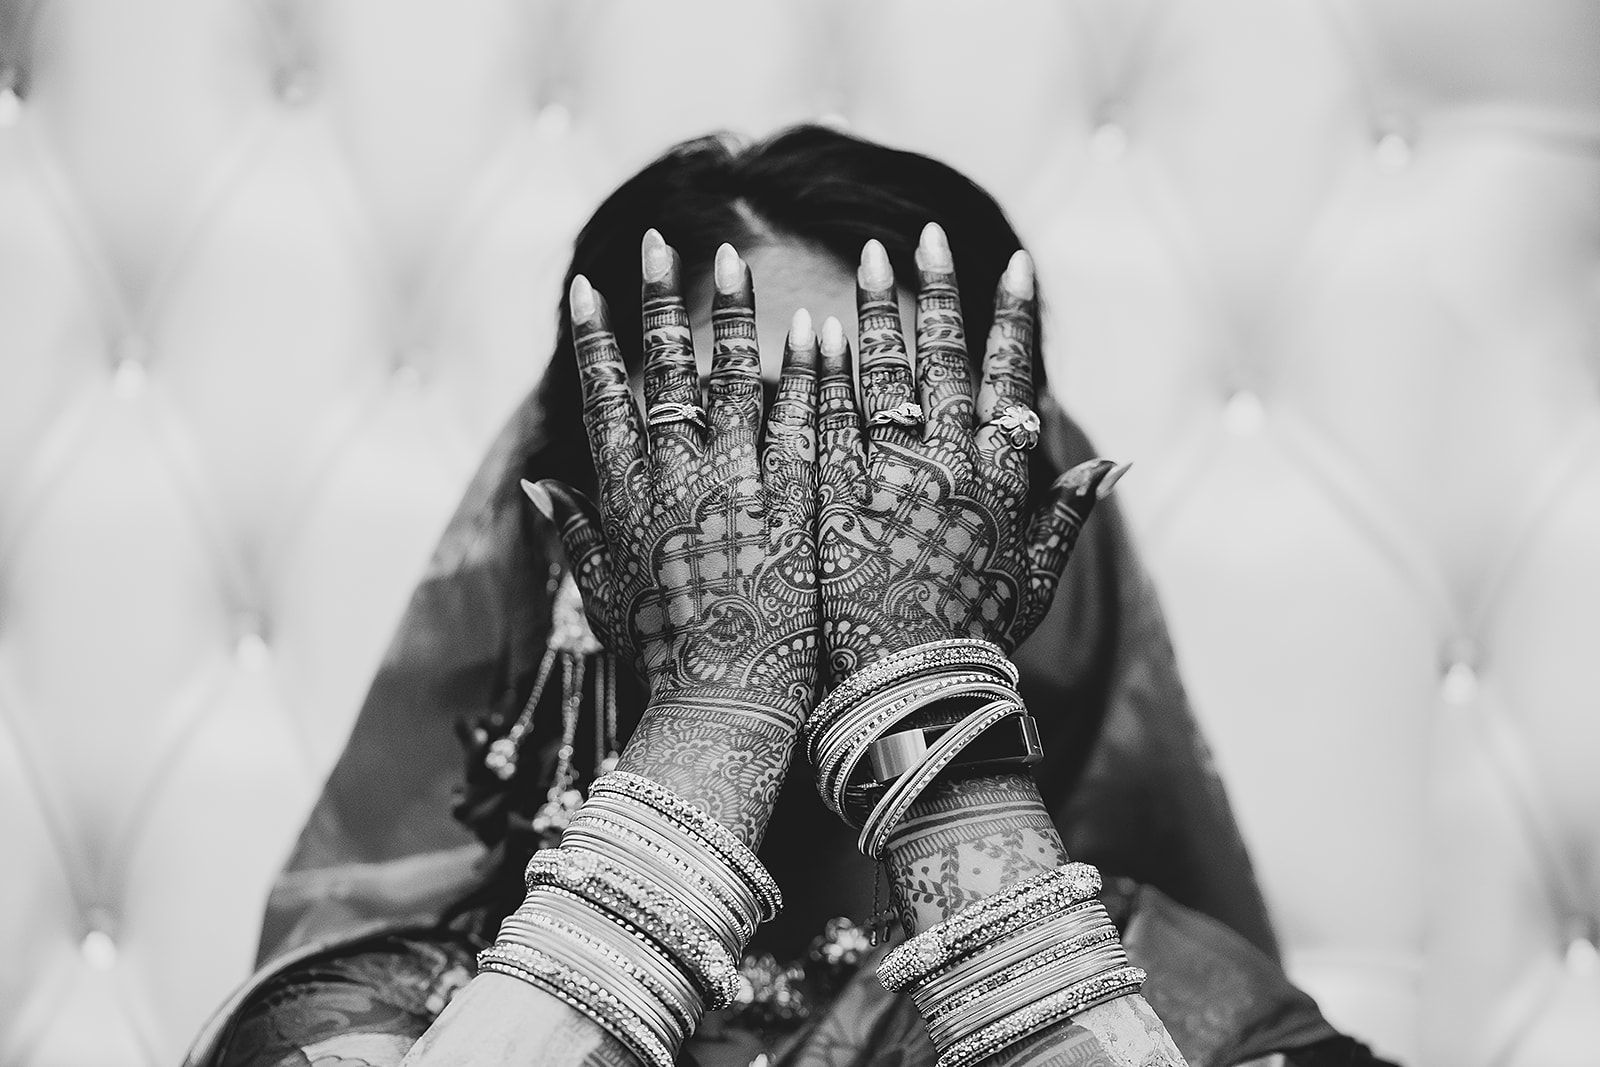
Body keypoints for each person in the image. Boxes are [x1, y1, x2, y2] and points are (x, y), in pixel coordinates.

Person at [183, 126, 1396, 1067]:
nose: (829, 529)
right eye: (736, 439)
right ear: (576, 543)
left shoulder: (1186, 997)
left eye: (897, 444)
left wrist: (933, 730)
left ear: (1010, 536)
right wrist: (719, 710)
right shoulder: (378, 1008)